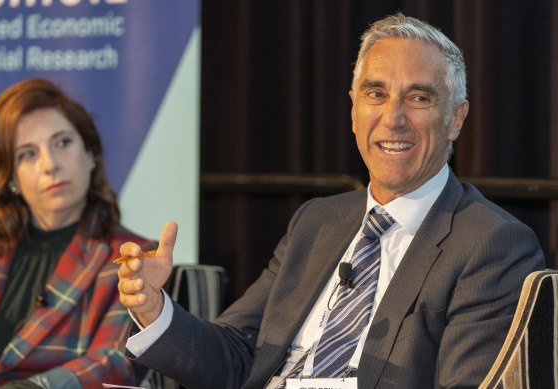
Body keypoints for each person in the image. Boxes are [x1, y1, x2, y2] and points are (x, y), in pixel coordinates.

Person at [117, 13, 545, 389]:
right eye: (376, 94)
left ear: (455, 118)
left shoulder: (492, 243)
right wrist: (156, 310)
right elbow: (235, 358)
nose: (393, 118)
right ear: (354, 109)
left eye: (418, 98)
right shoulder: (316, 221)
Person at [0, 78, 155, 388]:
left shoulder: (128, 255)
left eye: (62, 143)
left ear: (90, 154)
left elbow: (115, 362)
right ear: (12, 178)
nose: (51, 165)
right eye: (28, 154)